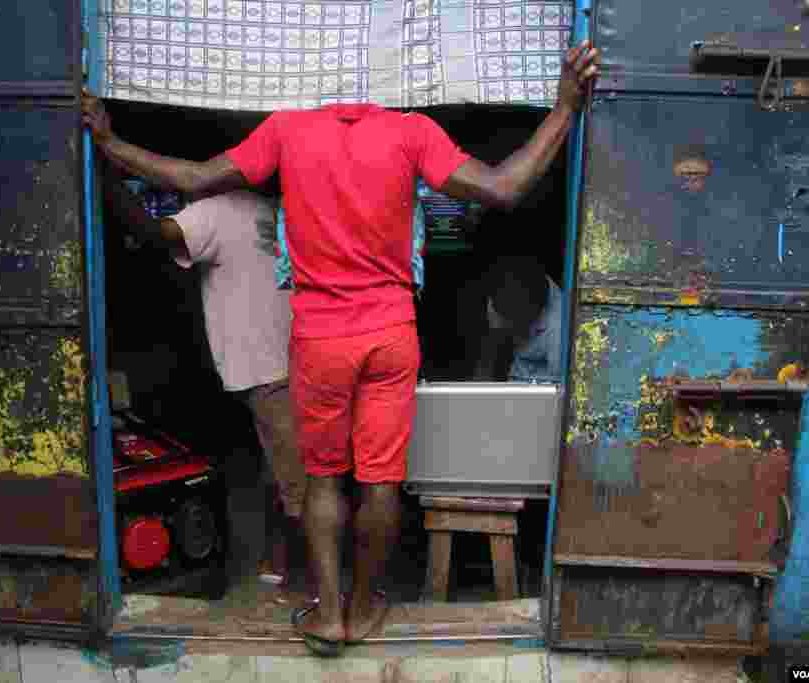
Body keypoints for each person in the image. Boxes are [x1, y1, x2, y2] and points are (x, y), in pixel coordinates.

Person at [83, 40, 599, 656]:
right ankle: (363, 608)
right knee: (381, 483)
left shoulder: (287, 131)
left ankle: (329, 616)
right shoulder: (412, 132)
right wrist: (566, 106)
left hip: (320, 339)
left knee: (324, 481)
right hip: (391, 336)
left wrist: (110, 144)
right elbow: (507, 187)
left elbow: (193, 177)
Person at [102, 166, 310, 601]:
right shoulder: (241, 210)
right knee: (294, 478)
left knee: (290, 477)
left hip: (281, 364)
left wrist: (107, 174)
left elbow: (151, 232)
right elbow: (155, 234)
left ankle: (289, 571)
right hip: (279, 363)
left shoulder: (246, 210)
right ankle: (294, 574)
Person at [481, 254, 565, 383]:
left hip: (543, 382)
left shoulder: (560, 327)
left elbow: (557, 393)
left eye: (516, 323)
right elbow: (492, 340)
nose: (508, 326)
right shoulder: (501, 293)